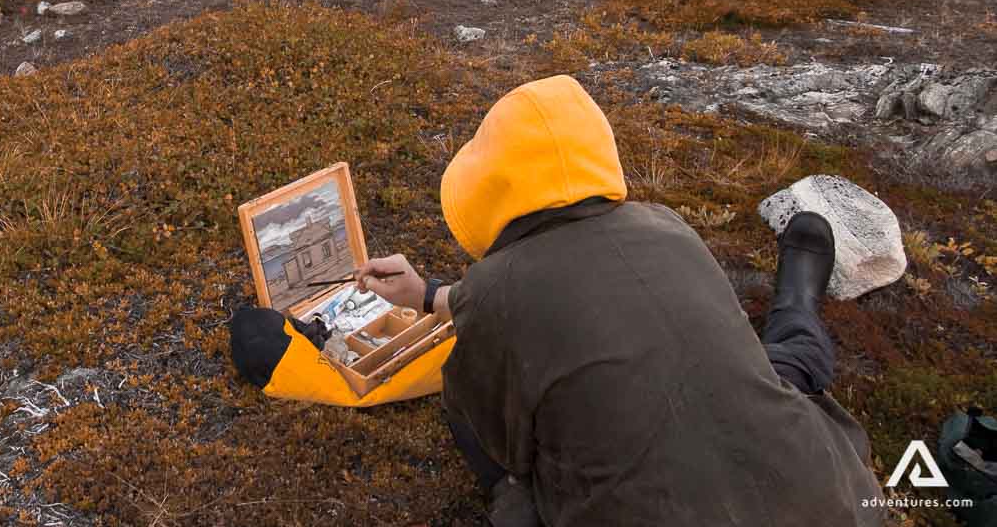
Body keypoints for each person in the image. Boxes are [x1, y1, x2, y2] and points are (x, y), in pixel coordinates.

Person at [354, 74, 885, 526]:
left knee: (474, 415)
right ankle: (797, 301)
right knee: (770, 370)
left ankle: (512, 504)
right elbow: (525, 295)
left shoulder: (494, 288)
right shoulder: (667, 227)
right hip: (830, 502)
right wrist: (427, 294)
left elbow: (506, 435)